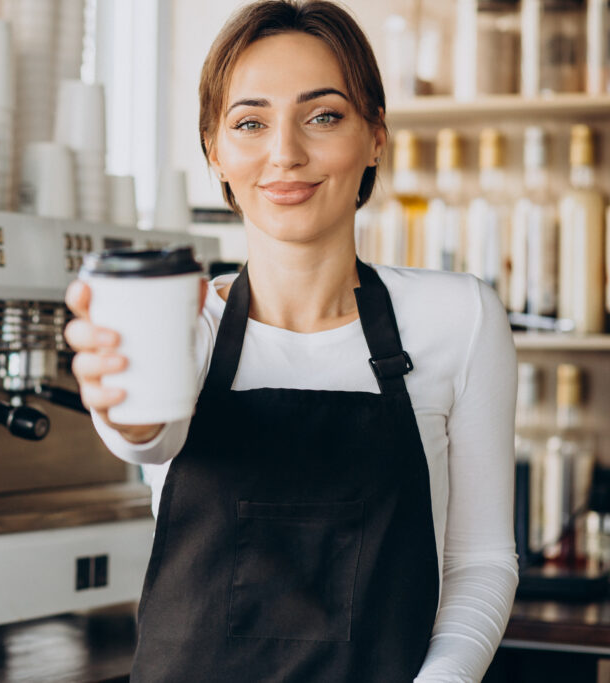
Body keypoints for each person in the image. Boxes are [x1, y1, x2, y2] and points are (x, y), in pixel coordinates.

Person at [64, 1, 518, 681]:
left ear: (375, 137)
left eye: (323, 115)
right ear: (215, 153)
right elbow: (146, 435)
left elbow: (481, 560)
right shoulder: (180, 321)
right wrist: (121, 403)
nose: (285, 153)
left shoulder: (460, 318)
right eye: (250, 122)